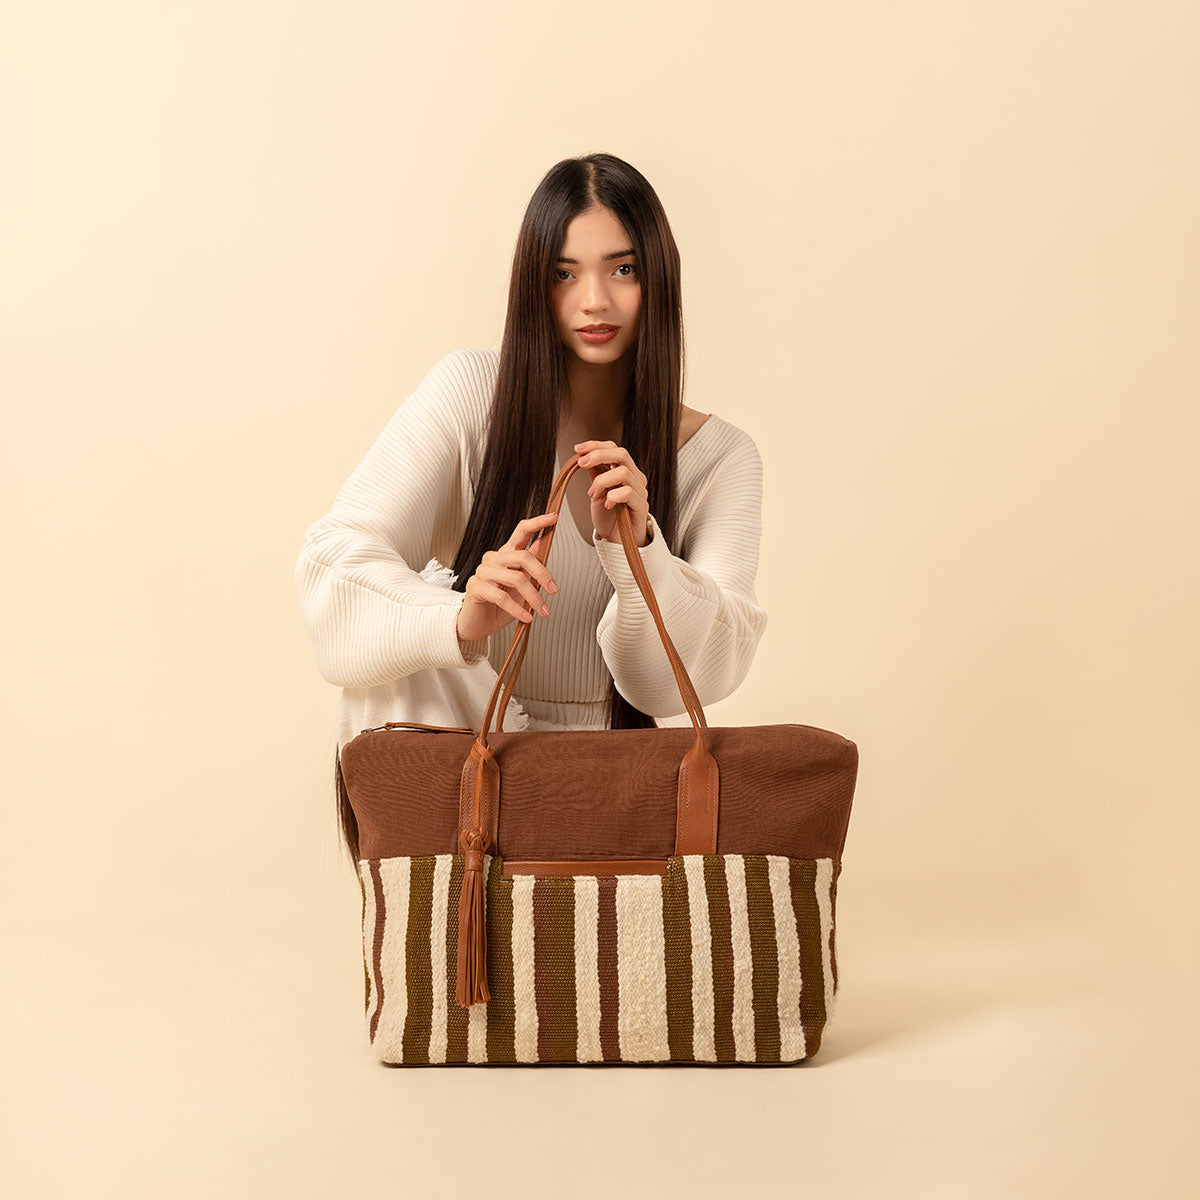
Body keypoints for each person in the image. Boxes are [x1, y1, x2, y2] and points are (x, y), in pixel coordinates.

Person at [294, 152, 769, 862]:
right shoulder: (468, 394)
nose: (595, 302)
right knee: (405, 637)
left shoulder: (722, 457)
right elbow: (332, 565)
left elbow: (687, 683)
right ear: (533, 284)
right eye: (565, 273)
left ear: (658, 279)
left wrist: (641, 551)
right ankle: (433, 920)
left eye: (624, 269)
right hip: (472, 760)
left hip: (615, 783)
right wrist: (458, 618)